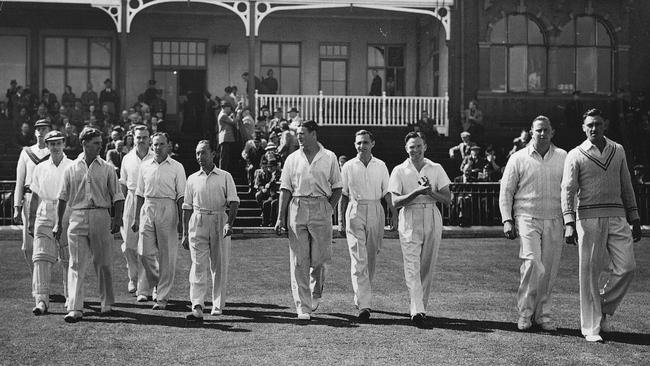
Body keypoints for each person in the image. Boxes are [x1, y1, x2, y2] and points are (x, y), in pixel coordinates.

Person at [561, 108, 641, 343]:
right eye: (589, 125)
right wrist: (568, 222)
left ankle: (602, 307)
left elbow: (626, 183)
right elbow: (568, 189)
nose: (594, 128)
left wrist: (634, 217)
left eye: (597, 124)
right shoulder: (575, 154)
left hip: (617, 216)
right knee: (590, 274)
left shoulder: (618, 150)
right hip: (588, 218)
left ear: (605, 125)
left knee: (627, 267)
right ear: (583, 128)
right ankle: (590, 327)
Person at [499, 116, 567, 332]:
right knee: (533, 264)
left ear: (552, 132)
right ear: (531, 132)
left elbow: (570, 189)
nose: (542, 134)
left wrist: (570, 219)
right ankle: (525, 314)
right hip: (527, 217)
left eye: (546, 130)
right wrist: (507, 219)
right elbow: (506, 190)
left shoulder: (563, 157)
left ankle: (543, 315)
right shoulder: (518, 158)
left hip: (555, 218)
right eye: (538, 130)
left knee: (548, 270)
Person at [54, 127, 125, 323]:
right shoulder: (71, 168)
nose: (100, 146)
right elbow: (62, 198)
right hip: (77, 217)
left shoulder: (108, 168)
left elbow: (118, 196)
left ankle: (106, 304)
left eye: (101, 143)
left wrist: (117, 219)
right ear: (84, 143)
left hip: (101, 216)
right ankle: (75, 308)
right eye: (96, 143)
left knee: (103, 262)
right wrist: (58, 223)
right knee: (76, 264)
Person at [274, 120, 342, 321]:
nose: (299, 137)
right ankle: (302, 306)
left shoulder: (329, 156)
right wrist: (280, 217)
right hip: (297, 206)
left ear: (314, 134)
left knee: (320, 258)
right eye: (297, 133)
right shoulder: (292, 158)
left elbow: (338, 187)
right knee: (299, 260)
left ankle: (316, 291)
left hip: (321, 205)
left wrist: (328, 208)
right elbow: (285, 189)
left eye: (302, 133)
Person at [388, 131, 451, 327]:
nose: (415, 150)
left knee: (427, 265)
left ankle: (420, 306)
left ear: (425, 147)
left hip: (432, 215)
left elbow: (447, 199)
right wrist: (417, 192)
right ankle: (417, 309)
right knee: (412, 265)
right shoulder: (399, 170)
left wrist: (430, 191)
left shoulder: (436, 168)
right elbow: (395, 201)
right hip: (410, 216)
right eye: (411, 147)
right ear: (406, 149)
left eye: (418, 146)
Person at [338, 130, 396, 321]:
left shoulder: (381, 165)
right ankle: (365, 305)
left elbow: (387, 192)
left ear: (372, 144)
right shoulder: (348, 166)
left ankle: (362, 294)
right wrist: (340, 221)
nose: (361, 146)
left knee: (371, 256)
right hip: (355, 210)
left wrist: (393, 215)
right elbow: (343, 195)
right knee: (358, 258)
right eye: (358, 143)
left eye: (364, 143)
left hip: (375, 209)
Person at [182, 140, 240, 321]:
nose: (200, 157)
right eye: (197, 153)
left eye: (204, 153)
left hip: (219, 220)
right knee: (198, 264)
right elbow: (187, 207)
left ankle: (217, 304)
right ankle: (197, 304)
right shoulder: (192, 178)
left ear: (213, 154)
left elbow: (234, 202)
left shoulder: (225, 176)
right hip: (198, 221)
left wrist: (229, 223)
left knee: (219, 264)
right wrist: (185, 233)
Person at [132, 132, 186, 310]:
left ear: (168, 145)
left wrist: (181, 221)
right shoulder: (145, 166)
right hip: (148, 206)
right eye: (155, 144)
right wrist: (135, 217)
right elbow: (139, 193)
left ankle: (161, 297)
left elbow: (181, 196)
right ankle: (156, 283)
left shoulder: (177, 166)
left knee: (166, 255)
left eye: (161, 144)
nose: (157, 147)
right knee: (143, 252)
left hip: (167, 207)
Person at [27, 130, 73, 315]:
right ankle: (41, 301)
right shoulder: (40, 168)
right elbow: (35, 196)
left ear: (64, 144)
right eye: (51, 144)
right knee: (40, 259)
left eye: (58, 143)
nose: (55, 147)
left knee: (69, 260)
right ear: (47, 146)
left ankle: (71, 298)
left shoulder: (72, 166)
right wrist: (31, 220)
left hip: (68, 212)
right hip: (44, 212)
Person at [119, 125, 154, 301]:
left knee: (147, 247)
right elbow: (123, 185)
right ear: (133, 138)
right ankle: (132, 278)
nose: (141, 140)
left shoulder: (156, 157)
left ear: (150, 138)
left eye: (144, 137)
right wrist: (122, 210)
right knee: (129, 245)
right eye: (138, 137)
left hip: (149, 201)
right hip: (131, 201)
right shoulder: (127, 158)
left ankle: (144, 287)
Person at [14, 119, 51, 271]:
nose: (41, 131)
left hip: (48, 199)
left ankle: (44, 281)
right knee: (28, 246)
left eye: (44, 128)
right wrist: (17, 206)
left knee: (49, 244)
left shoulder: (54, 152)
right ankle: (36, 278)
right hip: (29, 199)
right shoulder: (26, 152)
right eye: (38, 129)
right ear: (34, 132)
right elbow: (20, 181)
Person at [217, 101, 237, 172]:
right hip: (225, 138)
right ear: (224, 108)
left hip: (226, 138)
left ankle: (223, 171)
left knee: (225, 157)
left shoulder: (223, 115)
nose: (229, 109)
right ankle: (222, 171)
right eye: (228, 108)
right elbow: (233, 122)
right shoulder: (223, 115)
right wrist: (234, 115)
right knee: (224, 157)